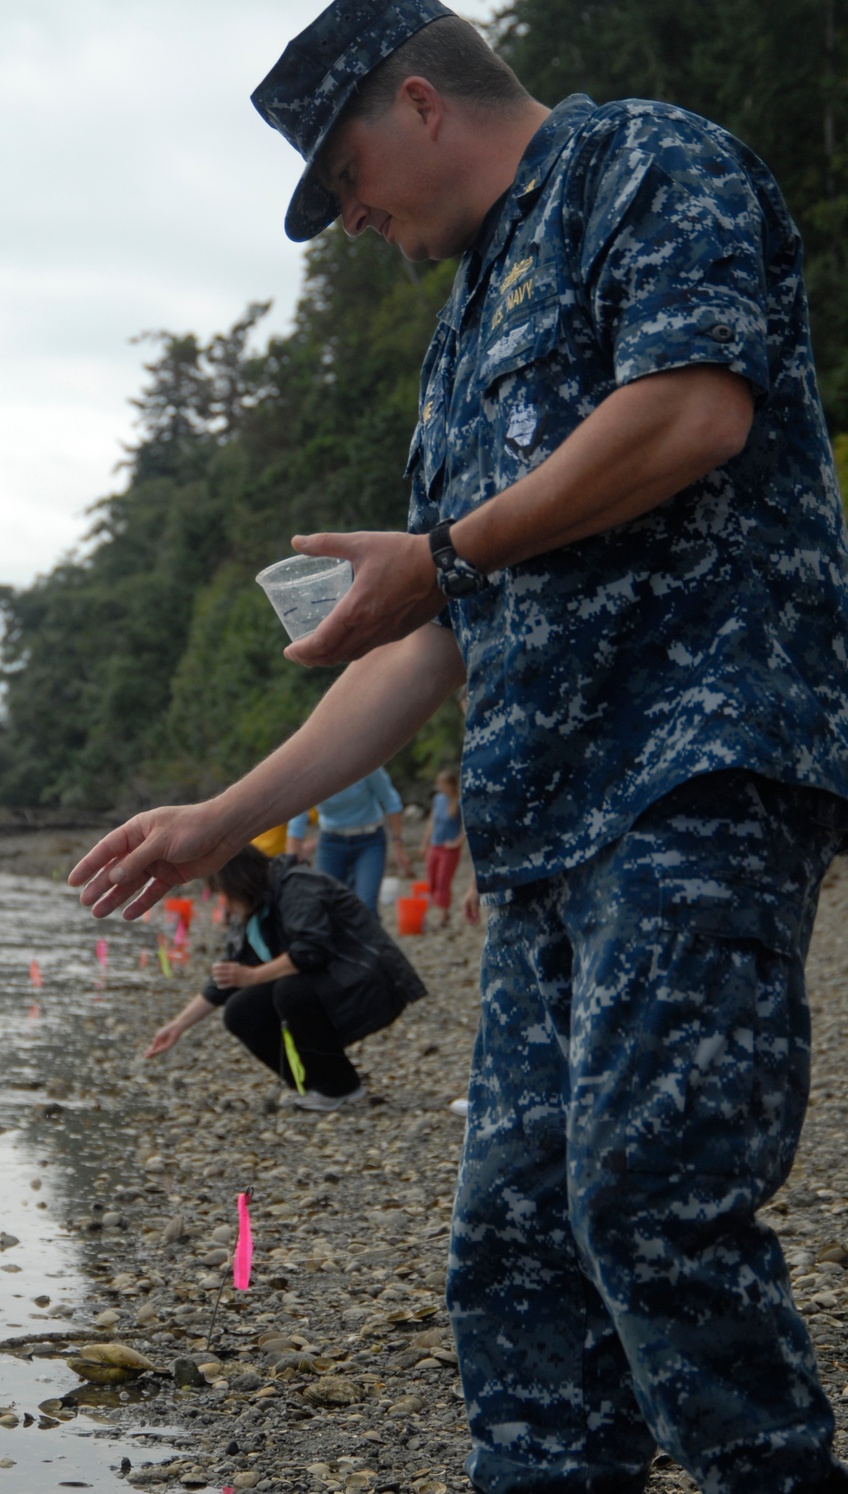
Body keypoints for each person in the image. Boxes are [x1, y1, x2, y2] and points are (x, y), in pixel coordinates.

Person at [70, 4, 848, 1490]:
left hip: (699, 770)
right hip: (543, 828)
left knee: (650, 1208)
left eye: (345, 175)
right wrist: (214, 816)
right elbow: (433, 631)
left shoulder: (651, 165)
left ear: (419, 101)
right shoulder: (460, 341)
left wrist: (445, 552)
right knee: (507, 1242)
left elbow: (689, 411)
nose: (349, 215)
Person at [144, 845, 425, 1111]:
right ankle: (315, 1084)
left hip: (373, 985)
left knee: (290, 991)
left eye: (226, 895)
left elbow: (310, 951)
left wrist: (253, 975)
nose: (226, 905)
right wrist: (177, 1026)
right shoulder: (255, 912)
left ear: (241, 884)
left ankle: (339, 1087)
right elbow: (227, 978)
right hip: (331, 984)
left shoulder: (298, 885)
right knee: (240, 1011)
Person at [286, 767, 411, 913]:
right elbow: (297, 822)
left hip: (369, 840)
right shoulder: (310, 775)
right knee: (326, 903)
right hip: (331, 842)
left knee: (366, 904)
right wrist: (291, 865)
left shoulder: (366, 765)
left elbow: (391, 801)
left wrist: (398, 846)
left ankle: (368, 933)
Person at [419, 767, 464, 926]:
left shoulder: (459, 802)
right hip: (435, 845)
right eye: (440, 784)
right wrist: (425, 843)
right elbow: (431, 822)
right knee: (430, 878)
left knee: (443, 880)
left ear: (452, 785)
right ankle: (427, 914)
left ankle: (443, 916)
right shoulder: (438, 799)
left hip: (449, 848)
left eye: (445, 784)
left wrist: (458, 842)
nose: (442, 788)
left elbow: (466, 826)